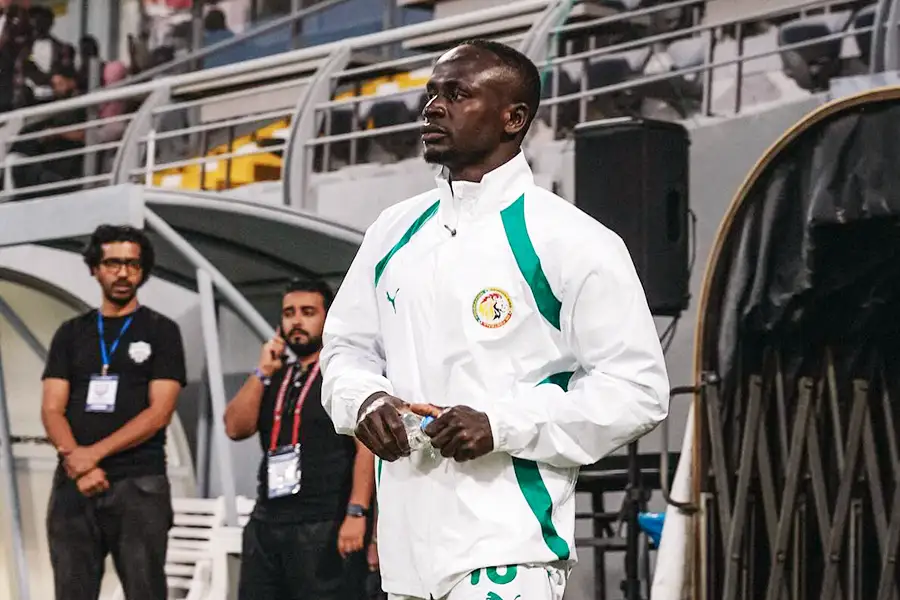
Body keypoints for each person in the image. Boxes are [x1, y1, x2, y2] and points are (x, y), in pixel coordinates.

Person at [321, 39, 670, 600]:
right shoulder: (393, 231)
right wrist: (364, 399)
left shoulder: (572, 239)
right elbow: (346, 348)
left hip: (508, 549)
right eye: (431, 94)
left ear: (514, 118)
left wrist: (500, 425)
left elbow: (638, 390)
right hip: (407, 558)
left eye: (457, 94)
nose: (433, 108)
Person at [41, 225, 187, 600]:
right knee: (71, 591)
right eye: (113, 264)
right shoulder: (71, 333)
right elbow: (52, 408)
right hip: (74, 482)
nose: (123, 273)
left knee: (144, 590)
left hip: (139, 483)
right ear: (95, 269)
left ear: (143, 271)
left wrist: (92, 456)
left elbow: (160, 412)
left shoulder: (161, 331)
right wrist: (78, 462)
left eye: (132, 265)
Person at [224, 279, 376, 600]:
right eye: (289, 313)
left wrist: (357, 512)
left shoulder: (342, 376)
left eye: (308, 312)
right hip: (267, 521)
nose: (296, 321)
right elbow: (235, 427)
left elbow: (366, 448)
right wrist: (262, 372)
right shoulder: (276, 375)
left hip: (323, 522)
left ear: (328, 319)